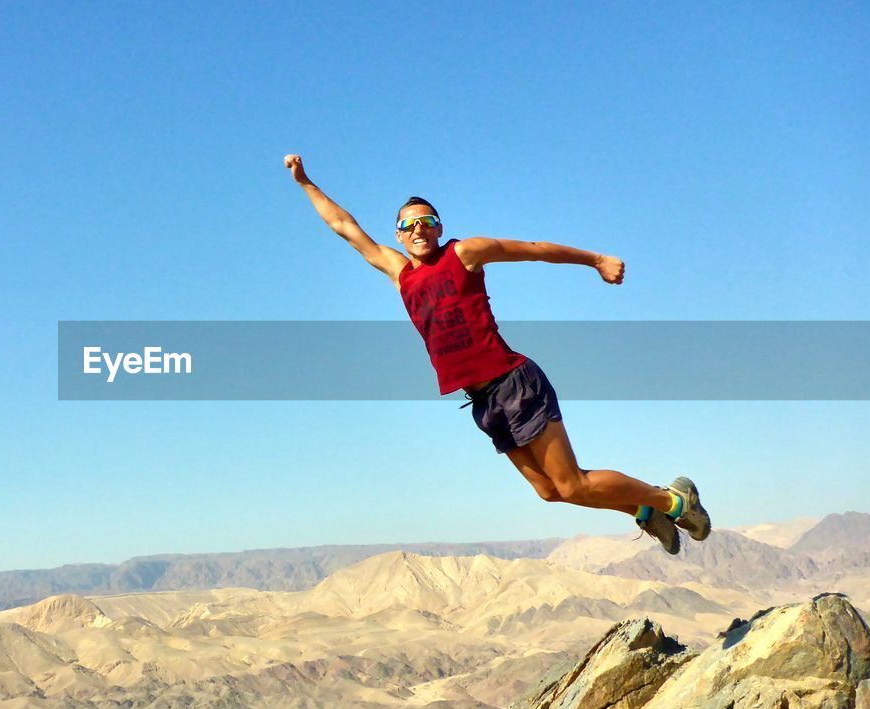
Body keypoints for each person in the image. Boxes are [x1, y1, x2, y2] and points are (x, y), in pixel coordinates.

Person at [283, 154, 710, 554]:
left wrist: (595, 259)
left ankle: (672, 500)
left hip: (514, 382)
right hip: (483, 401)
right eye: (409, 225)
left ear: (438, 226)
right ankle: (643, 509)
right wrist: (305, 182)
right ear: (398, 234)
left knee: (573, 483)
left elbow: (534, 249)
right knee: (549, 492)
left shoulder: (465, 253)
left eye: (426, 222)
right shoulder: (400, 273)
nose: (418, 230)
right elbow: (343, 225)